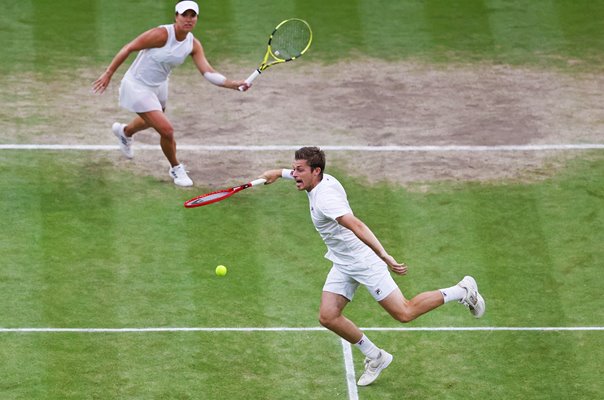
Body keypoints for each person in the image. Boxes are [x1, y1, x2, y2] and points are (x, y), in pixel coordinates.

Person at [260, 147, 485, 387]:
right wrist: (277, 173)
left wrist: (383, 254)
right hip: (342, 261)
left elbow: (357, 226)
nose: (294, 174)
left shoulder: (326, 199)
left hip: (364, 261)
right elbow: (295, 173)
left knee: (404, 313)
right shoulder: (319, 180)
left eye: (299, 170)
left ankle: (462, 291)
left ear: (316, 171)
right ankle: (376, 356)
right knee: (328, 316)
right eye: (294, 169)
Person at [92, 1, 249, 186]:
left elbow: (208, 72)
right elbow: (129, 47)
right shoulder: (161, 35)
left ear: (197, 19)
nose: (188, 19)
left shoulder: (193, 44)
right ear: (176, 16)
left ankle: (125, 132)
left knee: (152, 121)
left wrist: (233, 84)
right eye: (184, 15)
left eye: (193, 15)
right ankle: (176, 168)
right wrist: (109, 73)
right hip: (137, 85)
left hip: (159, 86)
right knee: (167, 130)